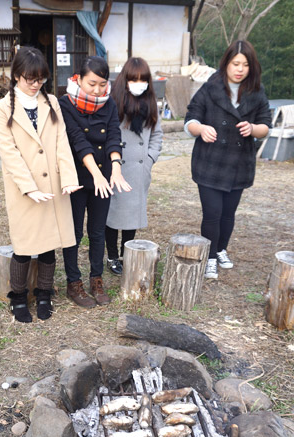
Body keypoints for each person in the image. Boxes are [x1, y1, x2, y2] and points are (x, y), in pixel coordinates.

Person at [0, 46, 81, 323]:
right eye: (30, 79)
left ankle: (44, 294)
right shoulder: (2, 107)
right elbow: (9, 153)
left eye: (40, 79)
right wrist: (29, 187)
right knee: (23, 244)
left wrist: (68, 178)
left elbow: (61, 142)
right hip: (24, 188)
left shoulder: (51, 102)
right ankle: (17, 297)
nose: (35, 85)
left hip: (53, 184)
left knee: (48, 245)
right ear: (17, 75)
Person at [184, 40, 271, 279]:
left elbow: (266, 126)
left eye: (245, 64)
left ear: (251, 67)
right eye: (235, 63)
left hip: (238, 163)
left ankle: (221, 249)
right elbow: (190, 118)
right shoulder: (210, 87)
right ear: (226, 64)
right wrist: (200, 128)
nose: (240, 69)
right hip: (210, 162)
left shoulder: (256, 91)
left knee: (228, 213)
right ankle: (209, 256)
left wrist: (253, 128)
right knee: (212, 213)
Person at [59, 56, 131, 307]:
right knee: (75, 233)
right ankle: (73, 282)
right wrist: (97, 175)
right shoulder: (65, 103)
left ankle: (96, 279)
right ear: (78, 79)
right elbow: (78, 141)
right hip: (77, 178)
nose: (98, 90)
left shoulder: (109, 103)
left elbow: (113, 135)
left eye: (102, 84)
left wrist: (116, 168)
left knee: (98, 231)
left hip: (103, 175)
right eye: (92, 84)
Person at [105, 57, 163, 275]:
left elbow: (157, 136)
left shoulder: (151, 104)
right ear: (124, 80)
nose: (138, 83)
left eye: (143, 79)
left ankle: (126, 253)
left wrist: (149, 159)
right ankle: (111, 256)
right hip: (116, 167)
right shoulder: (113, 102)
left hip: (138, 170)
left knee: (131, 217)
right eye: (133, 79)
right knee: (112, 216)